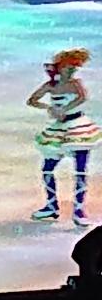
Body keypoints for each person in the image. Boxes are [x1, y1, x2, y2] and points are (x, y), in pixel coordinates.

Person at [30, 48, 101, 226]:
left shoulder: (76, 83)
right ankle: (51, 205)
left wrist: (64, 109)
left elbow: (82, 98)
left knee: (80, 169)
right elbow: (32, 100)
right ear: (60, 68)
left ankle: (78, 209)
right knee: (48, 167)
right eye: (68, 68)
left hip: (77, 126)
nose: (71, 72)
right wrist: (49, 108)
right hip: (59, 128)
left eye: (74, 69)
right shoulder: (50, 86)